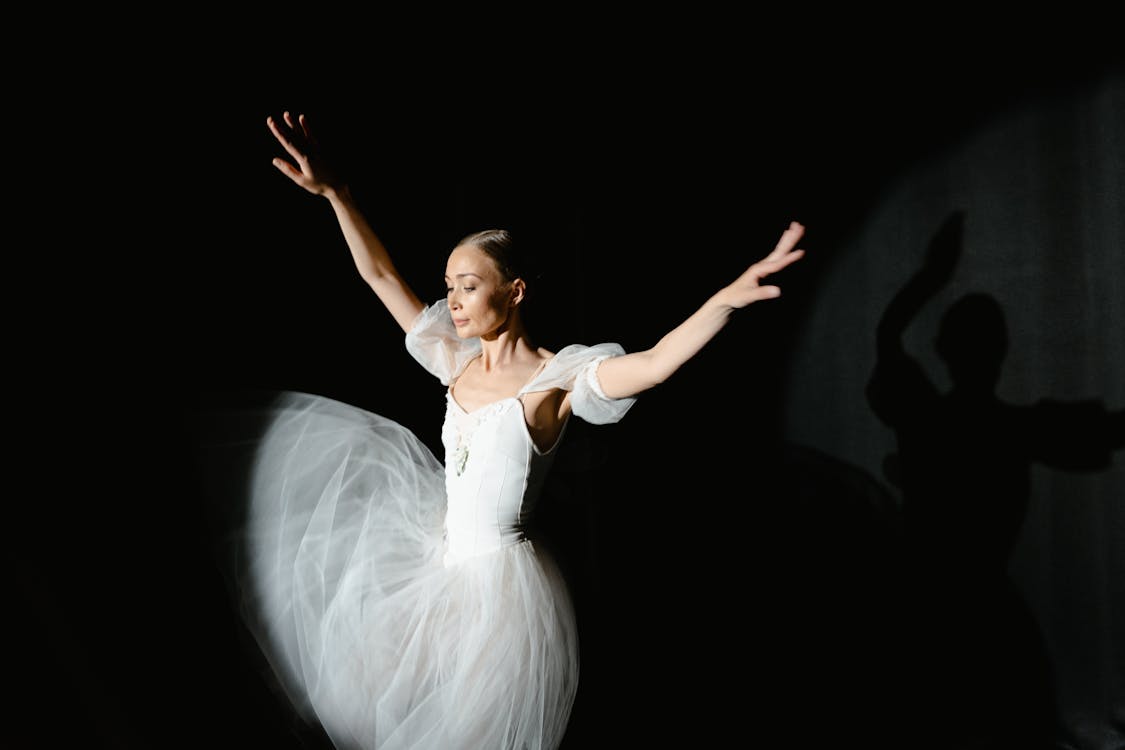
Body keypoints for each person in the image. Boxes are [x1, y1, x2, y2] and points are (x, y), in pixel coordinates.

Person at [232, 110, 806, 750]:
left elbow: (652, 364)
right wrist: (337, 194)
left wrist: (726, 297)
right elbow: (381, 276)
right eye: (448, 287)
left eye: (469, 286)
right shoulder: (453, 361)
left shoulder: (554, 380)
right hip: (435, 569)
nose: (453, 301)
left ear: (515, 291)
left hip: (501, 598)